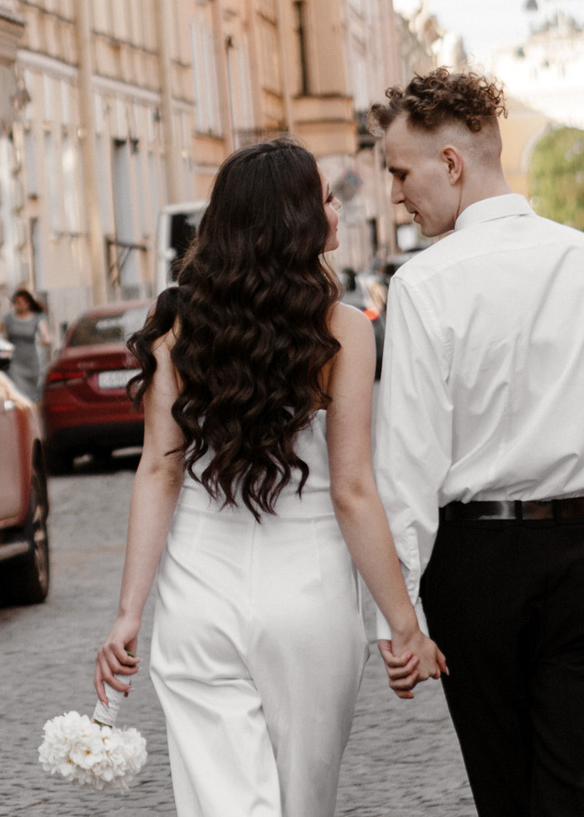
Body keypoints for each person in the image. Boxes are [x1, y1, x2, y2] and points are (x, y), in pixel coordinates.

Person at [95, 139, 446, 817]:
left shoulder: (177, 330)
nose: (336, 207)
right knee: (300, 804)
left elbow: (159, 469)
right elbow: (351, 488)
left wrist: (129, 611)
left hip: (197, 594)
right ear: (296, 221)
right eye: (325, 197)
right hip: (309, 598)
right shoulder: (344, 330)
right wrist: (403, 623)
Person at [371, 69, 584, 817]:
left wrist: (401, 623)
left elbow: (407, 467)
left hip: (478, 564)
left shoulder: (425, 285)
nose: (396, 193)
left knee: (506, 793)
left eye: (401, 172)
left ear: (453, 164)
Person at [3, 288, 55, 400]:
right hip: (14, 363)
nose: (18, 306)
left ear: (27, 303)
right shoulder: (8, 318)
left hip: (31, 363)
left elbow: (45, 335)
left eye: (20, 303)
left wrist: (44, 340)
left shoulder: (37, 317)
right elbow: (4, 339)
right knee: (18, 394)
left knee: (32, 396)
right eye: (16, 303)